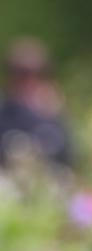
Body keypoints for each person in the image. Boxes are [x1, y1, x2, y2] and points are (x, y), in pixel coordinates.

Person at [0, 38, 72, 167]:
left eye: (39, 73)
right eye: (22, 73)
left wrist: (52, 115)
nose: (30, 80)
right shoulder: (4, 110)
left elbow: (65, 156)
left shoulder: (51, 113)